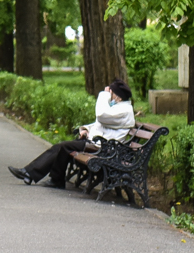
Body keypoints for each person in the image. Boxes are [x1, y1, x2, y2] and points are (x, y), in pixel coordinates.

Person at [7, 80, 135, 186]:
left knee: (64, 147)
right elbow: (102, 124)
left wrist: (103, 94)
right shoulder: (119, 108)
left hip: (104, 149)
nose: (109, 96)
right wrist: (86, 129)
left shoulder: (125, 111)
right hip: (98, 143)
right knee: (60, 147)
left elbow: (101, 115)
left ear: (117, 96)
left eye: (111, 94)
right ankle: (33, 174)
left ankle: (46, 177)